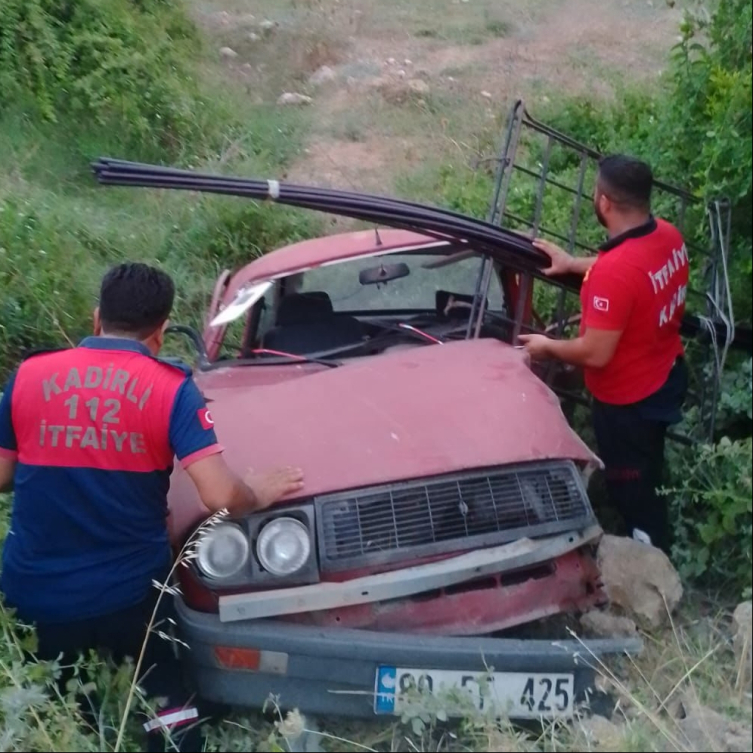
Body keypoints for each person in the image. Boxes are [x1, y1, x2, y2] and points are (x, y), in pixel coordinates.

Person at [0, 262, 305, 751]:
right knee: (164, 693)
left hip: (33, 594)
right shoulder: (170, 388)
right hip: (127, 598)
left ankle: (74, 721)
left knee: (58, 709)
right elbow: (221, 495)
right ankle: (171, 727)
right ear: (161, 333)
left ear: (96, 318)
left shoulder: (28, 376)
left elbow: (2, 476)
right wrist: (256, 492)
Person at [519, 154, 689, 554]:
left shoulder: (614, 273)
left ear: (605, 202)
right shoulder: (667, 235)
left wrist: (545, 346)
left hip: (629, 402)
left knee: (633, 487)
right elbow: (631, 270)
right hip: (666, 374)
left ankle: (649, 559)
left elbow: (595, 353)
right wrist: (571, 263)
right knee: (649, 468)